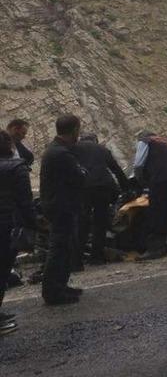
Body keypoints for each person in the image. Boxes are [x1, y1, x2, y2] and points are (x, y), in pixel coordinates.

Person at [40, 114, 87, 305]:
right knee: (59, 248)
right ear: (74, 130)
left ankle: (60, 285)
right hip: (62, 207)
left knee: (65, 248)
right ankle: (53, 291)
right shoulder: (61, 154)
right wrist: (83, 171)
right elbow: (79, 176)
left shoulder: (55, 150)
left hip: (59, 205)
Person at [73, 133, 130, 264]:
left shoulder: (74, 148)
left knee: (82, 222)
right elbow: (116, 169)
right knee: (100, 223)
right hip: (102, 188)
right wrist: (126, 187)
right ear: (96, 140)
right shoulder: (102, 149)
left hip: (83, 188)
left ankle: (76, 259)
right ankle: (96, 257)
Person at [0, 130, 36, 333]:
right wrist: (32, 224)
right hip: (7, 226)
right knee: (3, 271)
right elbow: (25, 201)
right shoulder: (16, 167)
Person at [133, 131, 167, 260]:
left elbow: (138, 165)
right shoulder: (165, 142)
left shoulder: (145, 141)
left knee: (156, 213)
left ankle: (153, 249)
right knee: (166, 214)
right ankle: (162, 246)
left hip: (159, 181)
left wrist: (141, 181)